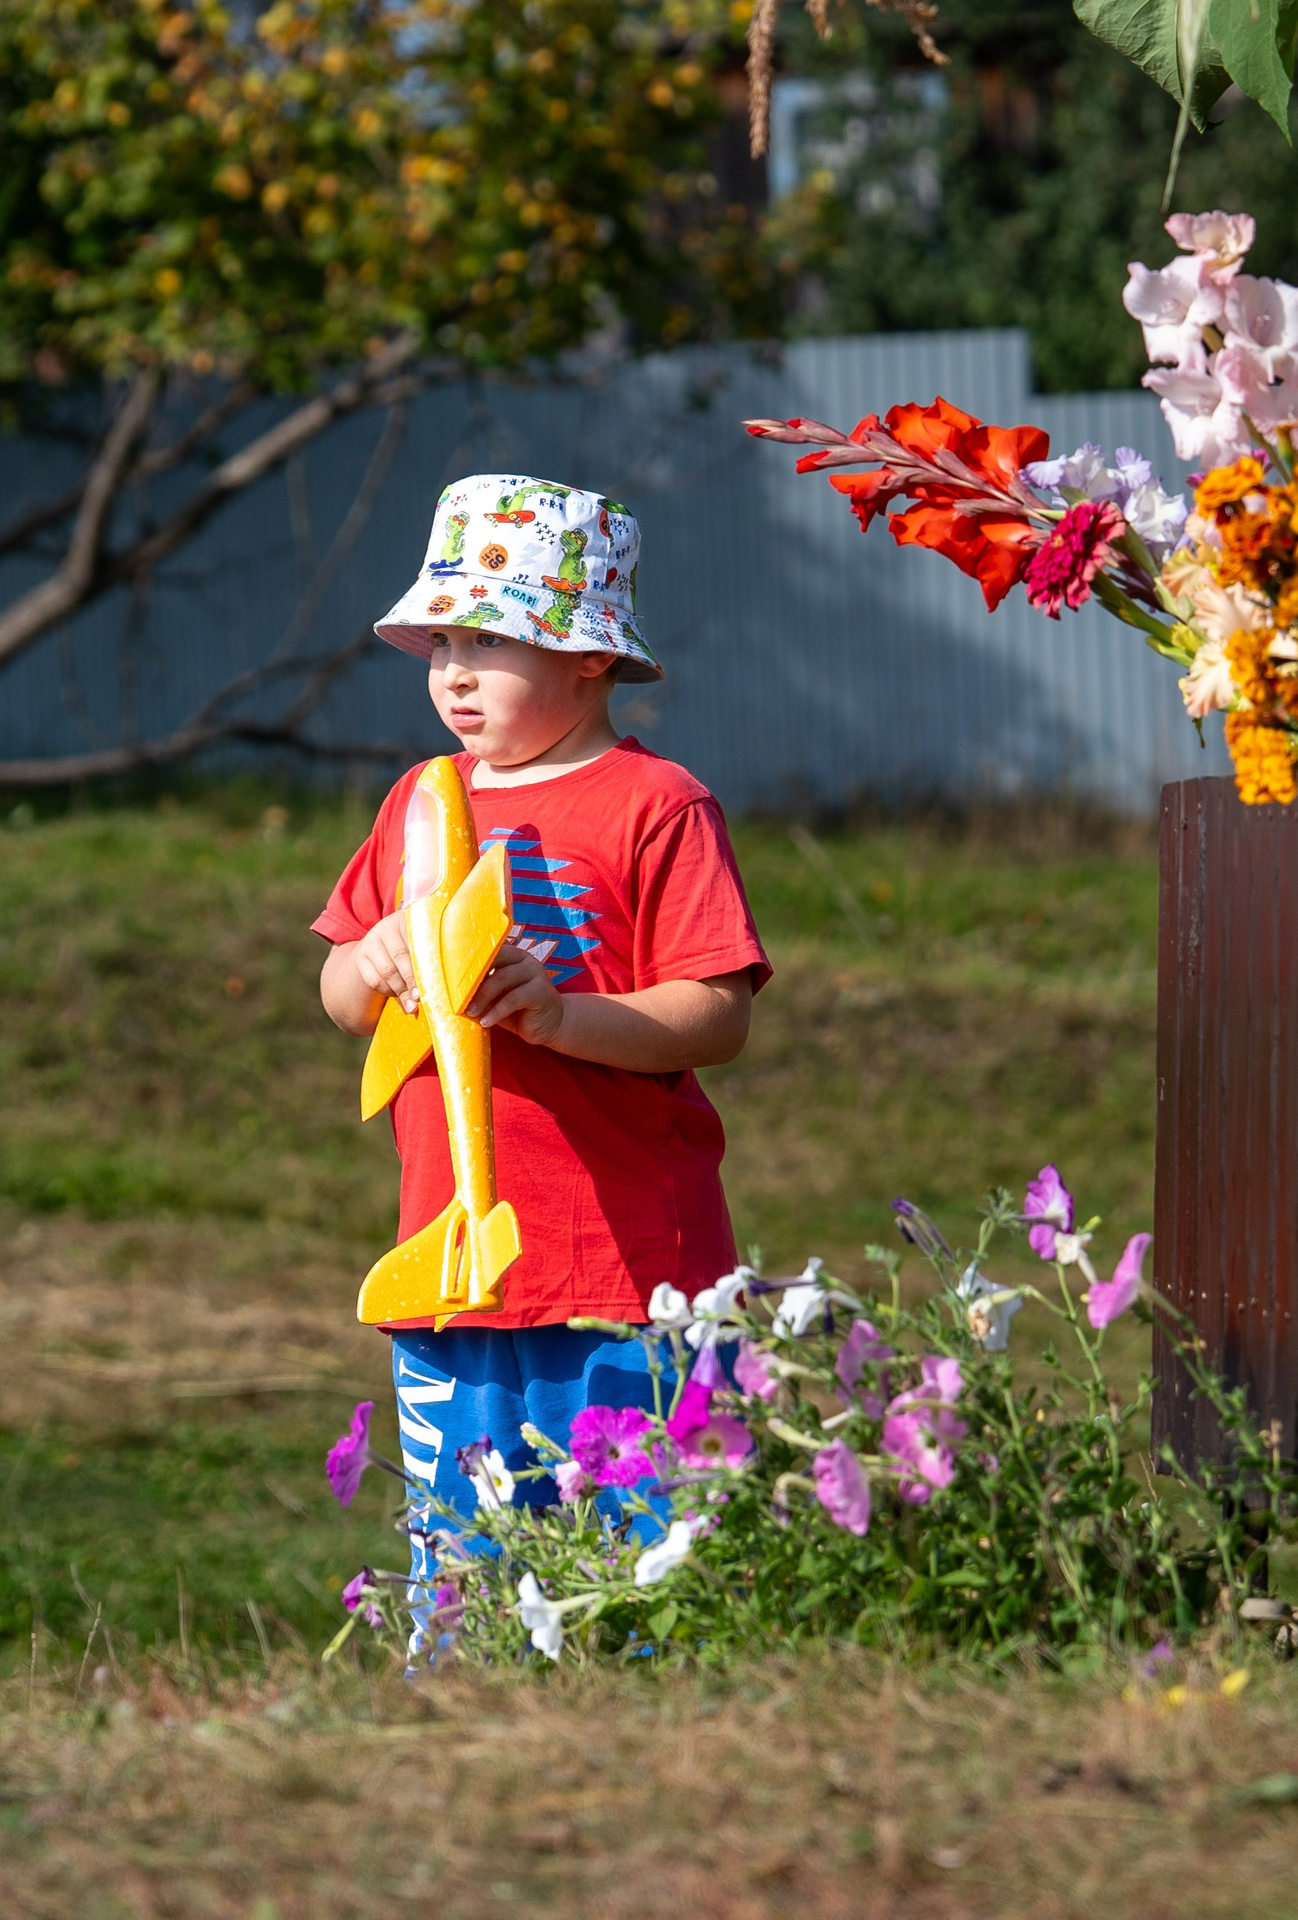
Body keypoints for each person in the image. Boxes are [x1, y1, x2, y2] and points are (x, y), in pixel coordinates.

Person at [311, 472, 770, 1627]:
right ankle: (461, 1697)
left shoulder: (654, 803)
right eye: (440, 643)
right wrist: (370, 963)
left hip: (621, 1269)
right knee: (462, 1538)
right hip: (455, 1265)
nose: (454, 671)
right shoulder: (418, 804)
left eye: (492, 640)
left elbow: (718, 1011)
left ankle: (641, 1705)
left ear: (589, 657)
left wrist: (561, 1019)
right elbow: (338, 996)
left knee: (641, 1543)